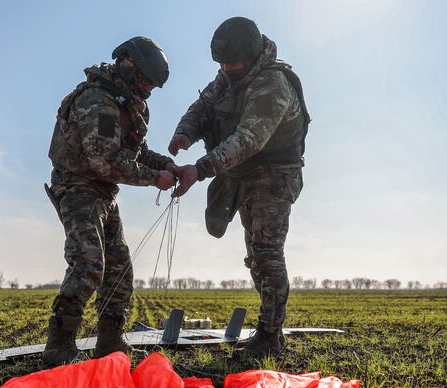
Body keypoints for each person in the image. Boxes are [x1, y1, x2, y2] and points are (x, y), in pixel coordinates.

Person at [169, 17, 309, 358]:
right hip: (243, 175)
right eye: (221, 64)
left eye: (231, 63)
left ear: (251, 55)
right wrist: (185, 132)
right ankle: (267, 331)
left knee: (267, 254)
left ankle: (270, 337)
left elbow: (248, 139)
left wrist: (200, 169)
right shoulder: (230, 75)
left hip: (274, 176)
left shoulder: (273, 84)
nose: (225, 69)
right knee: (255, 258)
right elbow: (203, 106)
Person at [43, 37, 179, 368]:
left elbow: (135, 150)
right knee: (89, 264)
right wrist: (153, 178)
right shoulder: (97, 101)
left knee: (119, 268)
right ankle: (59, 346)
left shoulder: (128, 103)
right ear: (129, 67)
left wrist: (167, 166)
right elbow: (105, 160)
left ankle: (109, 341)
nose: (148, 89)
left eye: (153, 85)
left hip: (103, 192)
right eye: (146, 80)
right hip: (77, 187)